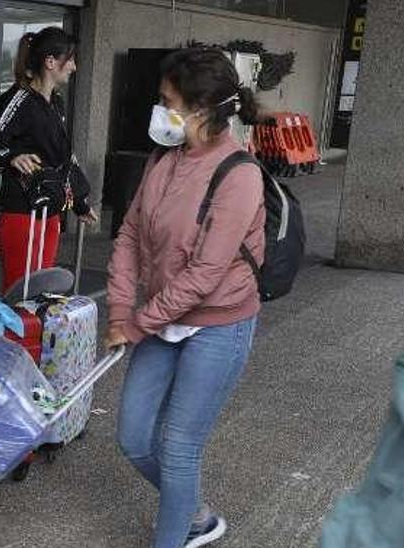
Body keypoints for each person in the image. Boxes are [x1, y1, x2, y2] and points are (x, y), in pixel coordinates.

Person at [104, 47, 265, 548]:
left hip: (219, 323)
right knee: (133, 438)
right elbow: (130, 234)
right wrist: (118, 310)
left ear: (202, 109)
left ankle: (173, 536)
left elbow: (205, 274)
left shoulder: (239, 173)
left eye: (167, 100)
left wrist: (136, 323)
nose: (161, 109)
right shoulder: (162, 159)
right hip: (162, 318)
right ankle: (194, 512)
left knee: (178, 447)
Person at [0, 27, 96, 290]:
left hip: (50, 210)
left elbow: (65, 157)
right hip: (22, 211)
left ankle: (33, 332)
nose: (74, 67)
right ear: (50, 62)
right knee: (20, 291)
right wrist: (12, 156)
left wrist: (79, 201)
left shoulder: (56, 103)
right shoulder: (21, 100)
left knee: (42, 291)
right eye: (71, 60)